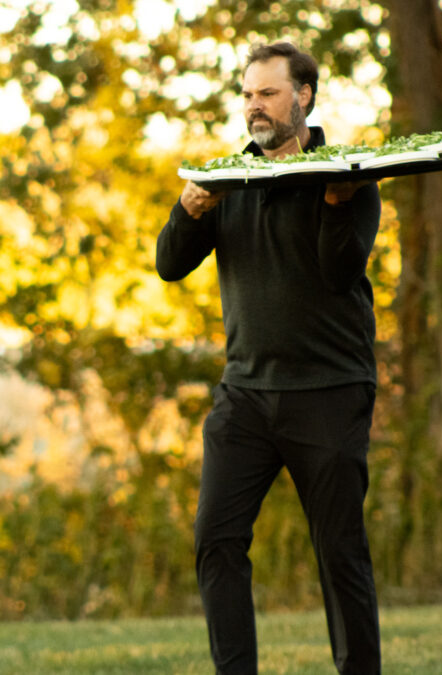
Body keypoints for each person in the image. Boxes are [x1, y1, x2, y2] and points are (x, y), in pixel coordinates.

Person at [156, 42, 382, 674]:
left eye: (269, 93)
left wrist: (336, 204)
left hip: (331, 390)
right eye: (248, 94)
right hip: (246, 395)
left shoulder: (350, 174)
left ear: (304, 97)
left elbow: (339, 275)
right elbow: (169, 266)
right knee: (215, 540)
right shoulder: (228, 178)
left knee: (340, 553)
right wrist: (187, 210)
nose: (254, 106)